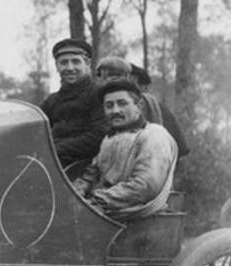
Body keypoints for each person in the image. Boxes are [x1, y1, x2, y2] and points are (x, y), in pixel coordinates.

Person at [73, 79, 178, 221]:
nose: (115, 111)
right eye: (109, 105)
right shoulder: (109, 138)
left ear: (138, 106)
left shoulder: (153, 135)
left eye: (122, 103)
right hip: (107, 213)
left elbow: (145, 186)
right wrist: (74, 195)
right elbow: (91, 174)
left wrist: (98, 199)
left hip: (138, 218)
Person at [96, 57, 189, 157]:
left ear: (127, 77)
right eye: (104, 76)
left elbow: (179, 146)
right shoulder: (95, 104)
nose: (109, 81)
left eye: (116, 76)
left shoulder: (152, 105)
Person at [40, 38, 109, 167]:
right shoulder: (51, 101)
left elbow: (100, 135)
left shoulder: (98, 93)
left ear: (87, 64)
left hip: (88, 165)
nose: (70, 68)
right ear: (57, 66)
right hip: (54, 162)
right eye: (64, 63)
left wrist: (54, 149)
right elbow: (35, 130)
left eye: (76, 62)